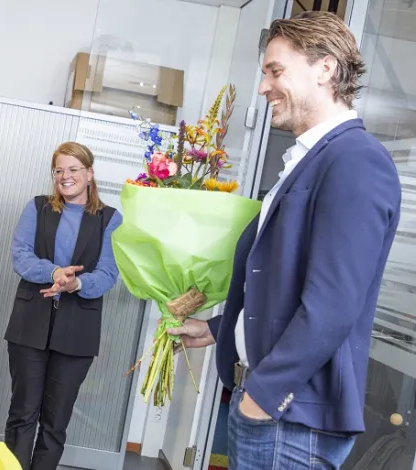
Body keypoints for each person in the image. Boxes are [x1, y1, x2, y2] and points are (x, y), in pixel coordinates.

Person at [168, 12, 401, 469]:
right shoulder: (312, 159)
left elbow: (333, 303)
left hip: (289, 419)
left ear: (325, 68)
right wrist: (221, 330)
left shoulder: (355, 161)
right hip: (269, 410)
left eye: (276, 71)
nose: (263, 87)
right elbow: (283, 281)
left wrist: (264, 393)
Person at [3, 142, 123, 470]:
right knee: (23, 413)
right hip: (30, 326)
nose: (65, 176)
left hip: (77, 334)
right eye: (59, 170)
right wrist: (54, 272)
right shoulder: (38, 208)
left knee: (55, 423)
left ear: (89, 174)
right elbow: (21, 256)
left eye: (73, 169)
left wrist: (77, 283)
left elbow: (108, 274)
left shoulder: (110, 219)